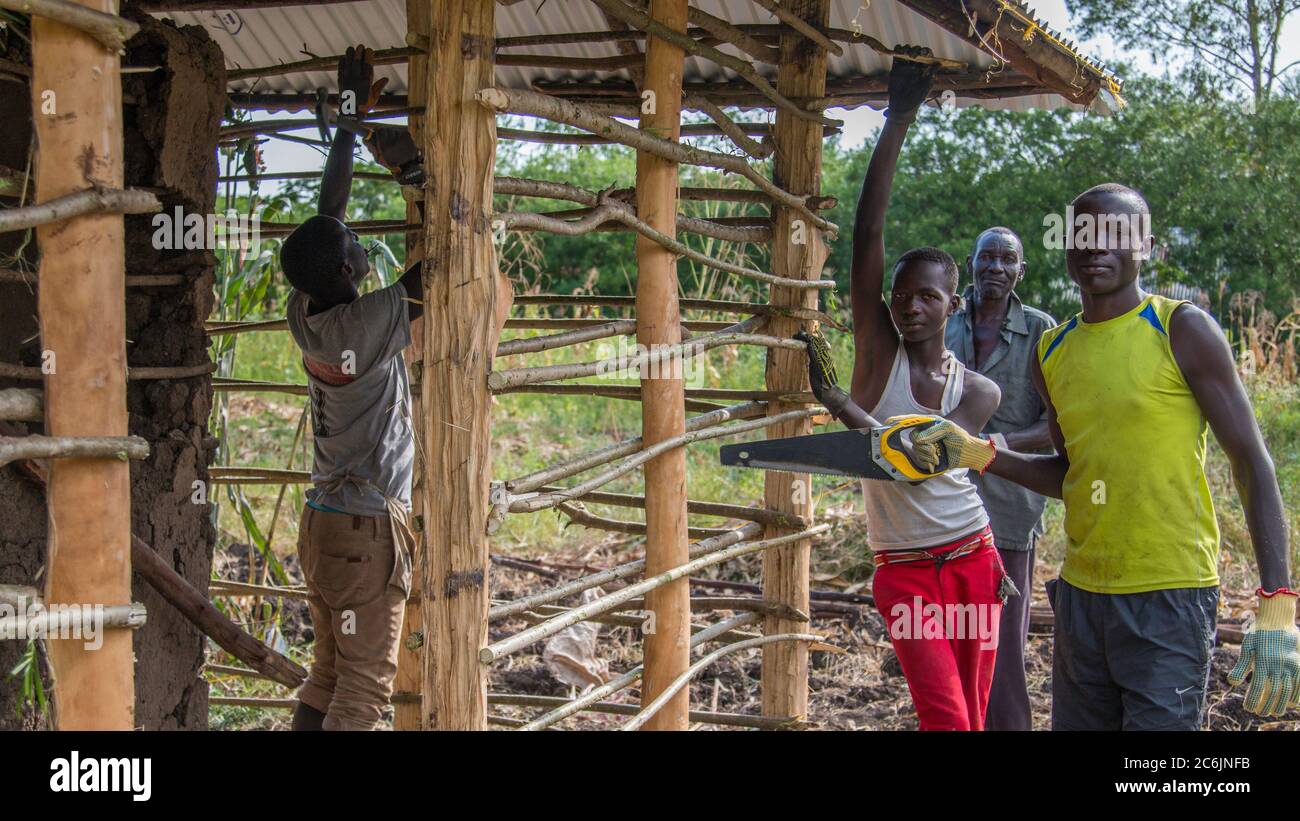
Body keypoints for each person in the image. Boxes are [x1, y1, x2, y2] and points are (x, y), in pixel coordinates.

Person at [915, 183, 1297, 729]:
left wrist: (1277, 600)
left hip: (1169, 597)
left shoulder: (1180, 329)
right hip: (1081, 599)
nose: (1097, 247)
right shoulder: (1053, 350)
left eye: (1116, 234)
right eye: (1083, 234)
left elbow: (1252, 463)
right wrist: (978, 453)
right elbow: (1072, 474)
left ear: (1148, 247)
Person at [800, 49, 1012, 731]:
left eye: (927, 296)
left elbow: (915, 464)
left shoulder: (977, 393)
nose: (909, 305)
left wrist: (842, 408)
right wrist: (897, 118)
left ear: (953, 303)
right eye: (900, 294)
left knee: (972, 716)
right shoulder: (878, 353)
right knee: (946, 715)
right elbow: (868, 231)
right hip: (907, 571)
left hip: (975, 559)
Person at [280, 46, 426, 731]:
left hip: (326, 525)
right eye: (354, 245)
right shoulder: (365, 322)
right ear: (346, 268)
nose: (360, 241)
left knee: (330, 672)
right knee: (365, 689)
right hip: (364, 530)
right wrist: (420, 175)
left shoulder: (310, 307)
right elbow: (442, 273)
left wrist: (348, 122)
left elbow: (326, 213)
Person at [944, 228, 1056, 730]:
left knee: (1002, 645)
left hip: (1009, 506)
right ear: (971, 263)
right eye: (985, 256)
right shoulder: (944, 324)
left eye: (1006, 258)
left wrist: (998, 447)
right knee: (946, 641)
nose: (995, 267)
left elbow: (1057, 423)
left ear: (1021, 271)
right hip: (940, 504)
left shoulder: (1041, 331)